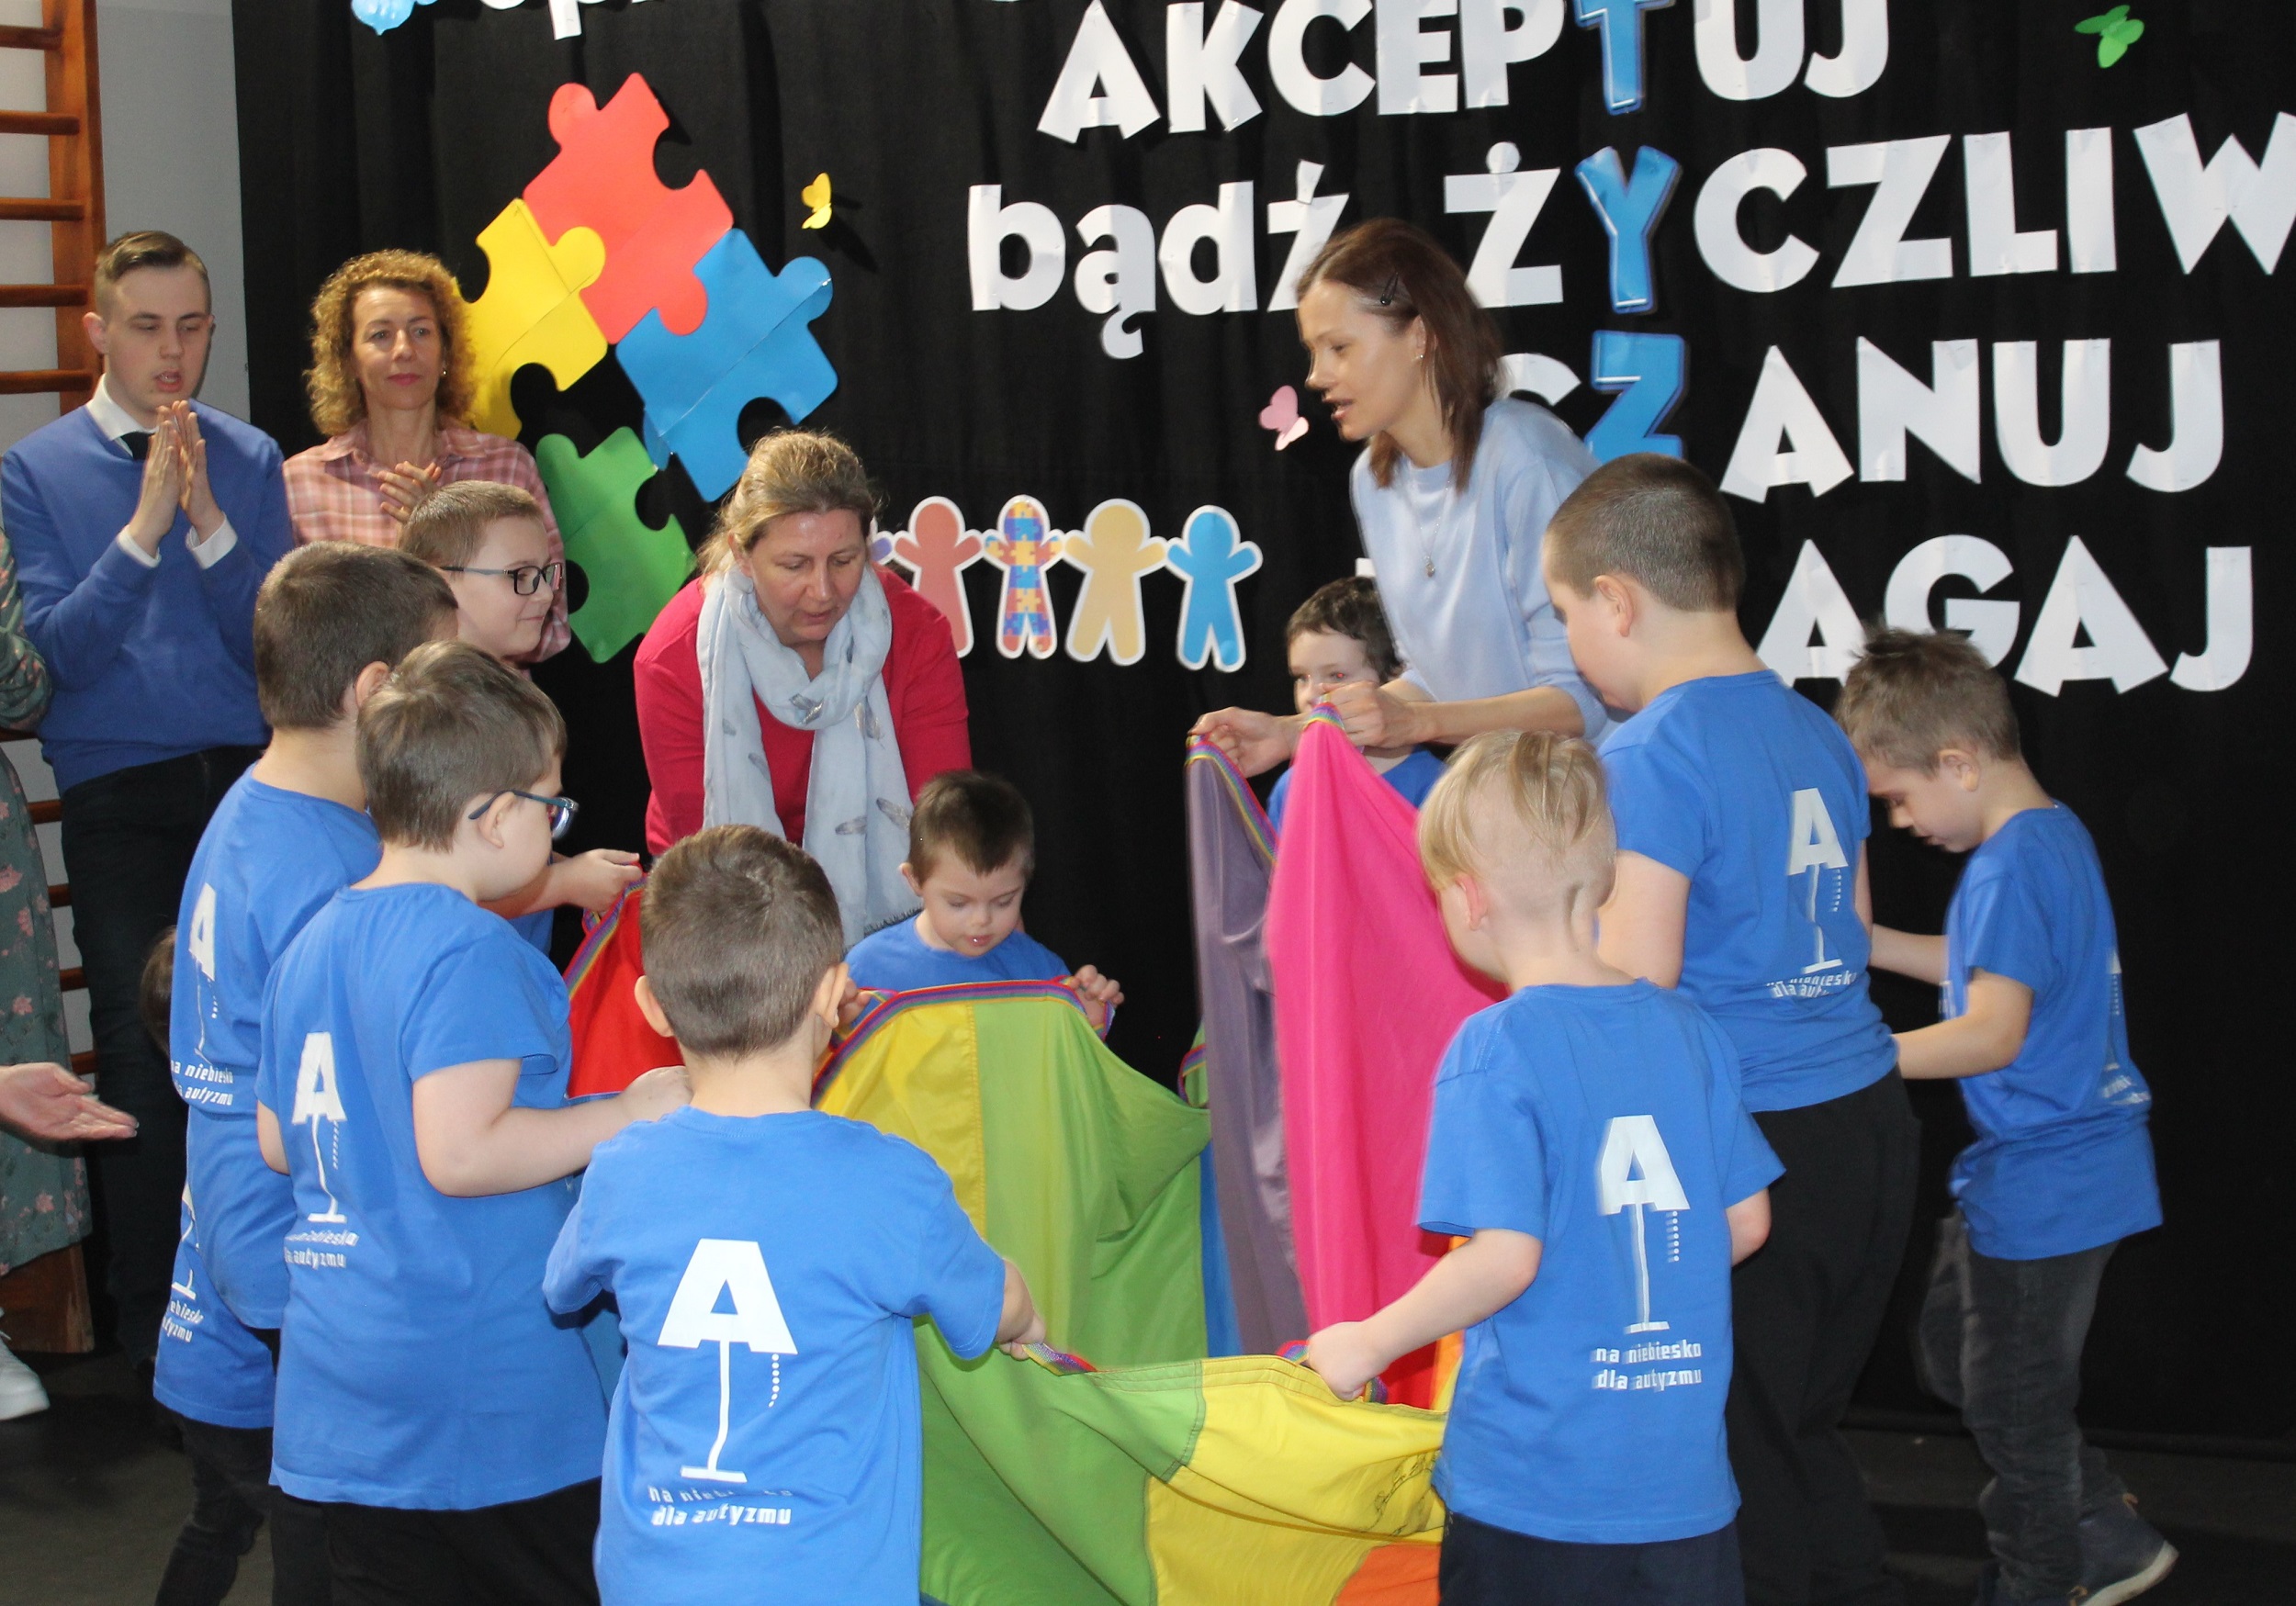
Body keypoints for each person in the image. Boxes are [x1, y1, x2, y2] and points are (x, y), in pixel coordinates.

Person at [1541, 455, 1915, 1606]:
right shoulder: (1814, 728)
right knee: (1799, 1430)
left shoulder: (1651, 752)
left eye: (1563, 616)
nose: (1568, 649)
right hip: (1869, 1128)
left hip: (1754, 1147)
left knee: (1741, 1462)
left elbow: (1638, 986)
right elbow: (1850, 932)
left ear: (1615, 601)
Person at [1301, 731, 1779, 1606]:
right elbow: (1746, 1222)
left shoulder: (1495, 1046)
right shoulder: (1692, 1030)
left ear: (1468, 897)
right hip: (1683, 1491)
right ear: (1602, 880)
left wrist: (1367, 1343)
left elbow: (1503, 1258)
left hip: (1538, 1493)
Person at [253, 641, 688, 1600]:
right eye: (551, 807)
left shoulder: (310, 942)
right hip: (480, 1391)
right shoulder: (471, 952)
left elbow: (278, 1142)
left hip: (343, 1382)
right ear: (492, 817)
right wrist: (628, 1110)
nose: (558, 828)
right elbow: (461, 1151)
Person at [544, 825, 1042, 1605]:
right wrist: (1028, 1318)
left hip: (653, 1579)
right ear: (831, 992)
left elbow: (563, 1288)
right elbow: (997, 1302)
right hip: (829, 1580)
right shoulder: (888, 1179)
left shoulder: (621, 1170)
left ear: (654, 1007)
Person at [3, 230, 294, 1365]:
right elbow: (57, 660)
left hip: (248, 781)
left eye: (191, 327)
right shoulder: (35, 470)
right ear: (97, 333)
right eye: (145, 326)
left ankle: (268, 1303)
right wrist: (142, 531)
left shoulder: (250, 455)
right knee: (139, 1044)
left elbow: (274, 647)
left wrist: (211, 523)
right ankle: (146, 1331)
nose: (172, 352)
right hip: (116, 786)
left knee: (264, 1035)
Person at [1838, 630, 2174, 1606]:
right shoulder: (2048, 836)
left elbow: (1991, 1033)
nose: (1899, 821)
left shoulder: (2009, 867)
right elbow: (1988, 964)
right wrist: (1868, 941)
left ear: (1958, 762)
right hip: (2058, 1169)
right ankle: (2102, 1523)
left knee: (2015, 1412)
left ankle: (2044, 1580)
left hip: (2050, 1178)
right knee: (1958, 1358)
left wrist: (1856, 1059)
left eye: (1900, 797)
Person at [152, 545, 459, 1606]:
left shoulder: (257, 811)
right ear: (375, 691)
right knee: (341, 1547)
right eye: (442, 676)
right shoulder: (331, 870)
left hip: (250, 1221)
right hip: (306, 1246)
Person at [1192, 219, 1602, 777]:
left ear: (1419, 336)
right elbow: (1432, 681)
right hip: (1500, 801)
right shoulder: (1373, 479)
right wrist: (1293, 732)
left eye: (1339, 347)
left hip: (1595, 800)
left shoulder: (1527, 460)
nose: (1316, 376)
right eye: (1313, 351)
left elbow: (1584, 699)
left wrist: (1416, 723)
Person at [634, 429, 971, 939]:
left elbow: (944, 829)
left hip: (885, 904)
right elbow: (705, 863)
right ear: (742, 555)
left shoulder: (917, 633)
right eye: (795, 565)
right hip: (720, 899)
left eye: (844, 561)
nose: (823, 591)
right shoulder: (672, 658)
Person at [145, 927, 325, 1606]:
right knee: (321, 1539)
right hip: (243, 1390)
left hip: (193, 1367)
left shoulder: (209, 1114)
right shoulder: (264, 1127)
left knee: (218, 1524)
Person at [282, 250, 568, 662]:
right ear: (349, 361)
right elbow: (293, 648)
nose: (404, 350)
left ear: (445, 353)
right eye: (381, 335)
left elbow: (552, 628)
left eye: (420, 332)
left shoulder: (505, 466)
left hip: (479, 703)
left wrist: (446, 534)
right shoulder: (302, 482)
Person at [396, 481, 644, 954]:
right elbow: (438, 896)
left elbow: (496, 855)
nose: (545, 594)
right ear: (439, 581)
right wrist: (564, 883)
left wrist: (577, 871)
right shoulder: (430, 717)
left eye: (547, 573)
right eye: (520, 575)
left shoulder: (497, 693)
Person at [842, 771, 1123, 1031]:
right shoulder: (868, 970)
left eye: (1003, 902)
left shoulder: (1042, 974)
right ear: (914, 879)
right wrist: (837, 1027)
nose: (982, 921)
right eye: (958, 903)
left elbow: (1060, 1059)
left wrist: (1088, 1020)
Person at [1266, 578, 1446, 832]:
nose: (1310, 695)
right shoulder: (1291, 788)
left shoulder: (1439, 788)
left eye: (1337, 676)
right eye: (1302, 677)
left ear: (1398, 677)